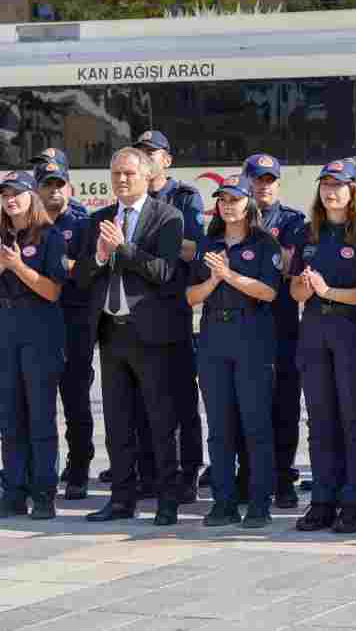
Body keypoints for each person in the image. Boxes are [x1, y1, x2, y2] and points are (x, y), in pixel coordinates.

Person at [74, 147, 185, 526]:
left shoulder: (167, 217)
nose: (121, 180)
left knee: (159, 420)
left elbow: (165, 272)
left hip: (151, 335)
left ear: (147, 176)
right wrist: (103, 257)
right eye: (116, 173)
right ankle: (121, 499)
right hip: (111, 332)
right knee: (117, 423)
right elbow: (82, 276)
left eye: (129, 174)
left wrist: (125, 247)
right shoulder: (99, 220)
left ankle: (167, 501)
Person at [289, 160, 356, 533]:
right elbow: (294, 288)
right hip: (314, 330)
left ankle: (353, 502)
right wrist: (305, 288)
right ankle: (322, 501)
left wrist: (330, 292)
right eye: (325, 185)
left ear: (352, 191)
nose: (331, 191)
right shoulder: (308, 233)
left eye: (338, 185)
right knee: (321, 419)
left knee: (354, 419)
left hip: (352, 331)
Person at [188, 174, 281, 529]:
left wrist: (229, 275)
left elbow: (269, 292)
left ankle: (259, 503)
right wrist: (213, 279)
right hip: (213, 333)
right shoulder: (207, 244)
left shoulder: (263, 244)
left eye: (235, 199)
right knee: (220, 425)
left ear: (249, 204)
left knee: (255, 423)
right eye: (223, 199)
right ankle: (223, 502)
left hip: (251, 334)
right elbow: (189, 297)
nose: (228, 205)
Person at [0, 171, 66, 520]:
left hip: (39, 330)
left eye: (17, 193)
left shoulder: (50, 236)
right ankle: (13, 491)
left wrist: (18, 266)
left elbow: (52, 291)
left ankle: (44, 493)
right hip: (2, 330)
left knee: (40, 416)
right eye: (4, 194)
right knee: (9, 416)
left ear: (32, 196)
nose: (10, 199)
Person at [138, 130, 205, 503]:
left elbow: (194, 248)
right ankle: (149, 471)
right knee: (143, 398)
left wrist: (148, 241)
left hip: (173, 304)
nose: (146, 159)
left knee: (181, 396)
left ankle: (188, 471)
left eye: (153, 153)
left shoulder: (184, 197)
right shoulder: (132, 198)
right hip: (136, 307)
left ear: (167, 159)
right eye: (141, 153)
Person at [248, 153, 306, 509]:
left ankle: (283, 478)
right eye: (257, 179)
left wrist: (260, 259)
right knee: (249, 408)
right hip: (246, 326)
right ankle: (254, 476)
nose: (263, 186)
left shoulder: (293, 221)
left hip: (283, 326)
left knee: (284, 407)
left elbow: (291, 264)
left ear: (278, 183)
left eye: (269, 180)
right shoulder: (236, 213)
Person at [36, 160, 95, 500]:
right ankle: (42, 466)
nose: (54, 190)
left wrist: (59, 266)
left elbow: (89, 270)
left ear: (70, 189)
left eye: (60, 184)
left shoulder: (83, 225)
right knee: (39, 400)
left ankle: (78, 468)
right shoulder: (30, 224)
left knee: (75, 400)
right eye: (47, 184)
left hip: (74, 322)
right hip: (37, 322)